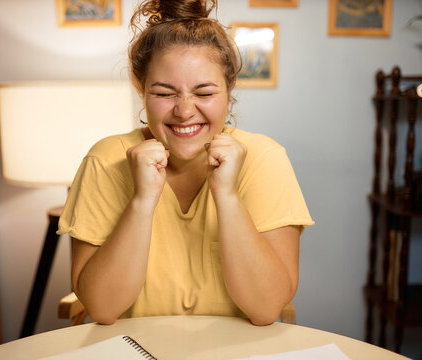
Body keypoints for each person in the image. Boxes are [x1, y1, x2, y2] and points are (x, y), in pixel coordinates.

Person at [57, 0, 313, 326]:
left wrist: (228, 197)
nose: (184, 110)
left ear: (229, 89)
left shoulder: (265, 159)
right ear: (141, 89)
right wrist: (142, 200)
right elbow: (103, 308)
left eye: (204, 93)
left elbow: (266, 308)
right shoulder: (105, 160)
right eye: (165, 93)